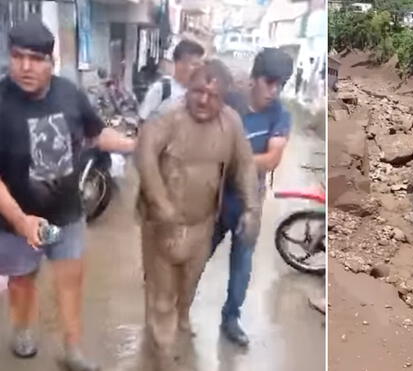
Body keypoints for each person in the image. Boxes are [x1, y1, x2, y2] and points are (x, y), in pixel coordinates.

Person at [0, 19, 135, 371]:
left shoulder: (69, 93)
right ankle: (23, 328)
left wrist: (134, 145)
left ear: (51, 61)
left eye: (35, 58)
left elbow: (95, 134)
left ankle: (71, 348)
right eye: (17, 56)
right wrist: (19, 220)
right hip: (15, 222)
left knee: (70, 281)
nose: (25, 66)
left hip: (66, 216)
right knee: (21, 281)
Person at [136, 61, 260, 361]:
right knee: (162, 296)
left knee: (188, 287)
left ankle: (183, 316)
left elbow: (245, 165)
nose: (204, 100)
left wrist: (251, 207)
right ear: (188, 89)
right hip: (162, 224)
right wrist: (160, 201)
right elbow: (145, 153)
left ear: (224, 98)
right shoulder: (168, 115)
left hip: (202, 224)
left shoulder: (231, 123)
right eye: (198, 91)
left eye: (213, 95)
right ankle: (163, 352)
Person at [211, 48, 293, 347]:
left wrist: (233, 158)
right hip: (214, 198)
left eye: (280, 84)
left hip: (249, 202)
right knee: (194, 258)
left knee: (242, 266)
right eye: (269, 82)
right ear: (253, 80)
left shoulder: (281, 114)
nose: (274, 90)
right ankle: (177, 312)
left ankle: (231, 319)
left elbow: (272, 159)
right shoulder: (228, 104)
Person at [138, 39, 204, 122]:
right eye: (195, 64)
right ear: (179, 64)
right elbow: (142, 121)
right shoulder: (162, 89)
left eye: (200, 65)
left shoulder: (198, 95)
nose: (199, 69)